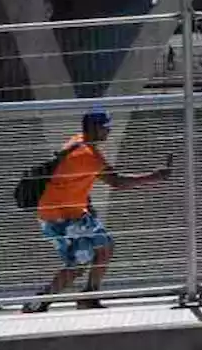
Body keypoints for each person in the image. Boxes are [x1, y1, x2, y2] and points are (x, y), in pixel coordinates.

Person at [22, 109, 173, 313]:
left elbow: (74, 180)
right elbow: (117, 182)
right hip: (59, 217)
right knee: (81, 261)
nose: (108, 132)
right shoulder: (87, 155)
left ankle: (87, 297)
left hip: (72, 212)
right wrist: (154, 177)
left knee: (104, 247)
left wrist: (87, 205)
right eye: (106, 128)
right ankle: (42, 301)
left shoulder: (78, 141)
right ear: (94, 128)